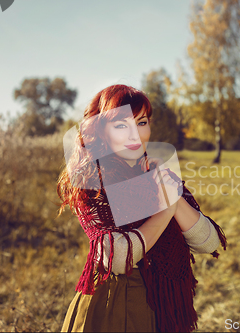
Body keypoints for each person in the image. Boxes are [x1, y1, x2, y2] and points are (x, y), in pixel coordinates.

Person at [56, 84, 227, 332]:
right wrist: (165, 211)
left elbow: (208, 243)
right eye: (122, 125)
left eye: (142, 122)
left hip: (163, 304)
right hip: (115, 306)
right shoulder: (92, 179)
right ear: (102, 131)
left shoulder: (158, 174)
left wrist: (171, 196)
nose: (135, 135)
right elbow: (116, 257)